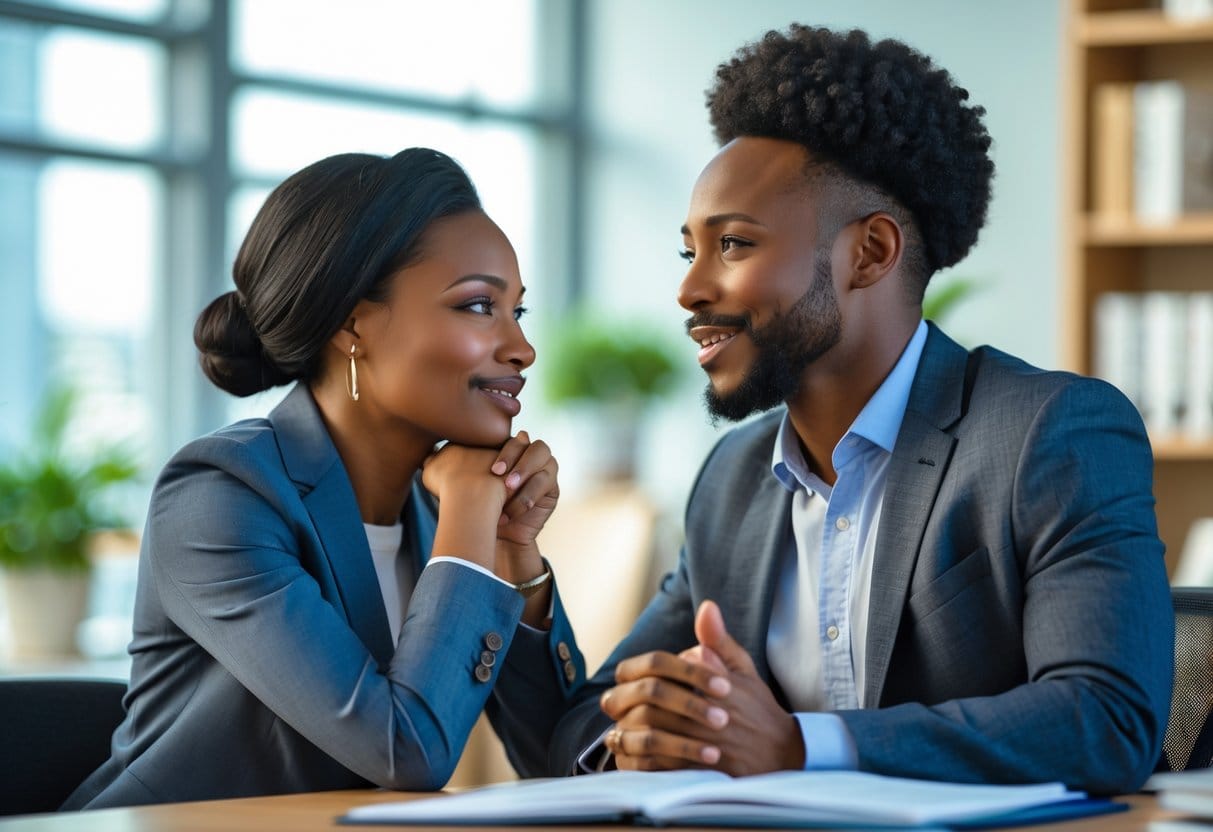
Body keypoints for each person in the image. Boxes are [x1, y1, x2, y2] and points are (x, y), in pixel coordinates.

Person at [548, 24, 1172, 794]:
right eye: (690, 252)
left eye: (734, 245)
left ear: (869, 252)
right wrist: (653, 727)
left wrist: (798, 747)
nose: (690, 289)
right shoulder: (733, 481)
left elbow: (1104, 720)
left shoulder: (1049, 434)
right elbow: (586, 728)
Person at [64, 147, 584, 809]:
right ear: (353, 323)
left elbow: (566, 759)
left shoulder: (437, 513)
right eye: (479, 306)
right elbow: (405, 751)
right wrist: (469, 523)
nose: (521, 348)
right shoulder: (220, 496)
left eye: (519, 311)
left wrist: (512, 555)